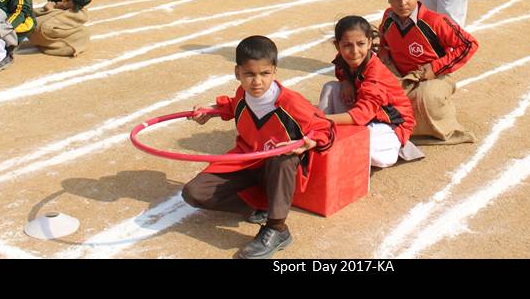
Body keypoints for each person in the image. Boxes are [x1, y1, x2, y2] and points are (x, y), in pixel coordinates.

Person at [181, 35, 334, 260]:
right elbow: (233, 106)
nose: (257, 82)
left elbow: (325, 128)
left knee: (282, 155)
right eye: (249, 74)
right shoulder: (242, 93)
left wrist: (306, 143)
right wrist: (211, 111)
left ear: (274, 71)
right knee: (193, 193)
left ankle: (277, 228)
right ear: (237, 73)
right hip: (246, 160)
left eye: (265, 74)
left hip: (279, 167)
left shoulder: (291, 103)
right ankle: (257, 207)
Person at [377, 0, 478, 145]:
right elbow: (383, 37)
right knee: (372, 90)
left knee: (428, 98)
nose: (402, 3)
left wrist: (435, 67)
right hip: (401, 76)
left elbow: (469, 44)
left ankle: (438, 128)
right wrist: (384, 52)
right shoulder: (388, 17)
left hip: (433, 78)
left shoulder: (435, 22)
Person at [317, 15, 423, 168]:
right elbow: (340, 67)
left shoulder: (375, 74)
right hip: (366, 114)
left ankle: (324, 128)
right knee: (331, 87)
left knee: (370, 151)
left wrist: (326, 119)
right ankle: (321, 133)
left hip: (389, 123)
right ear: (337, 46)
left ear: (369, 43)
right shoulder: (344, 58)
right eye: (347, 45)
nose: (354, 51)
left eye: (360, 44)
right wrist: (346, 81)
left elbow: (362, 114)